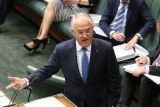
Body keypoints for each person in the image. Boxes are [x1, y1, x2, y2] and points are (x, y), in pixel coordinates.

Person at [7, 13, 121, 107]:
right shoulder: (62, 49)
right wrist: (26, 80)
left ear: (93, 29)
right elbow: (46, 70)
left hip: (99, 103)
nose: (85, 36)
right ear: (73, 32)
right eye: (80, 32)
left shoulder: (106, 48)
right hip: (72, 102)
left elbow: (114, 79)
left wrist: (111, 104)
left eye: (88, 31)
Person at [23, 0, 98, 52]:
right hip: (69, 4)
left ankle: (41, 37)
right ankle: (42, 37)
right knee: (52, 3)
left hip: (81, 9)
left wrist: (76, 0)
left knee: (49, 13)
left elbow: (92, 2)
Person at [117, 19, 160, 107]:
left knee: (146, 81)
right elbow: (157, 51)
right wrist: (146, 59)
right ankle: (122, 105)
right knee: (130, 72)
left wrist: (145, 68)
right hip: (155, 69)